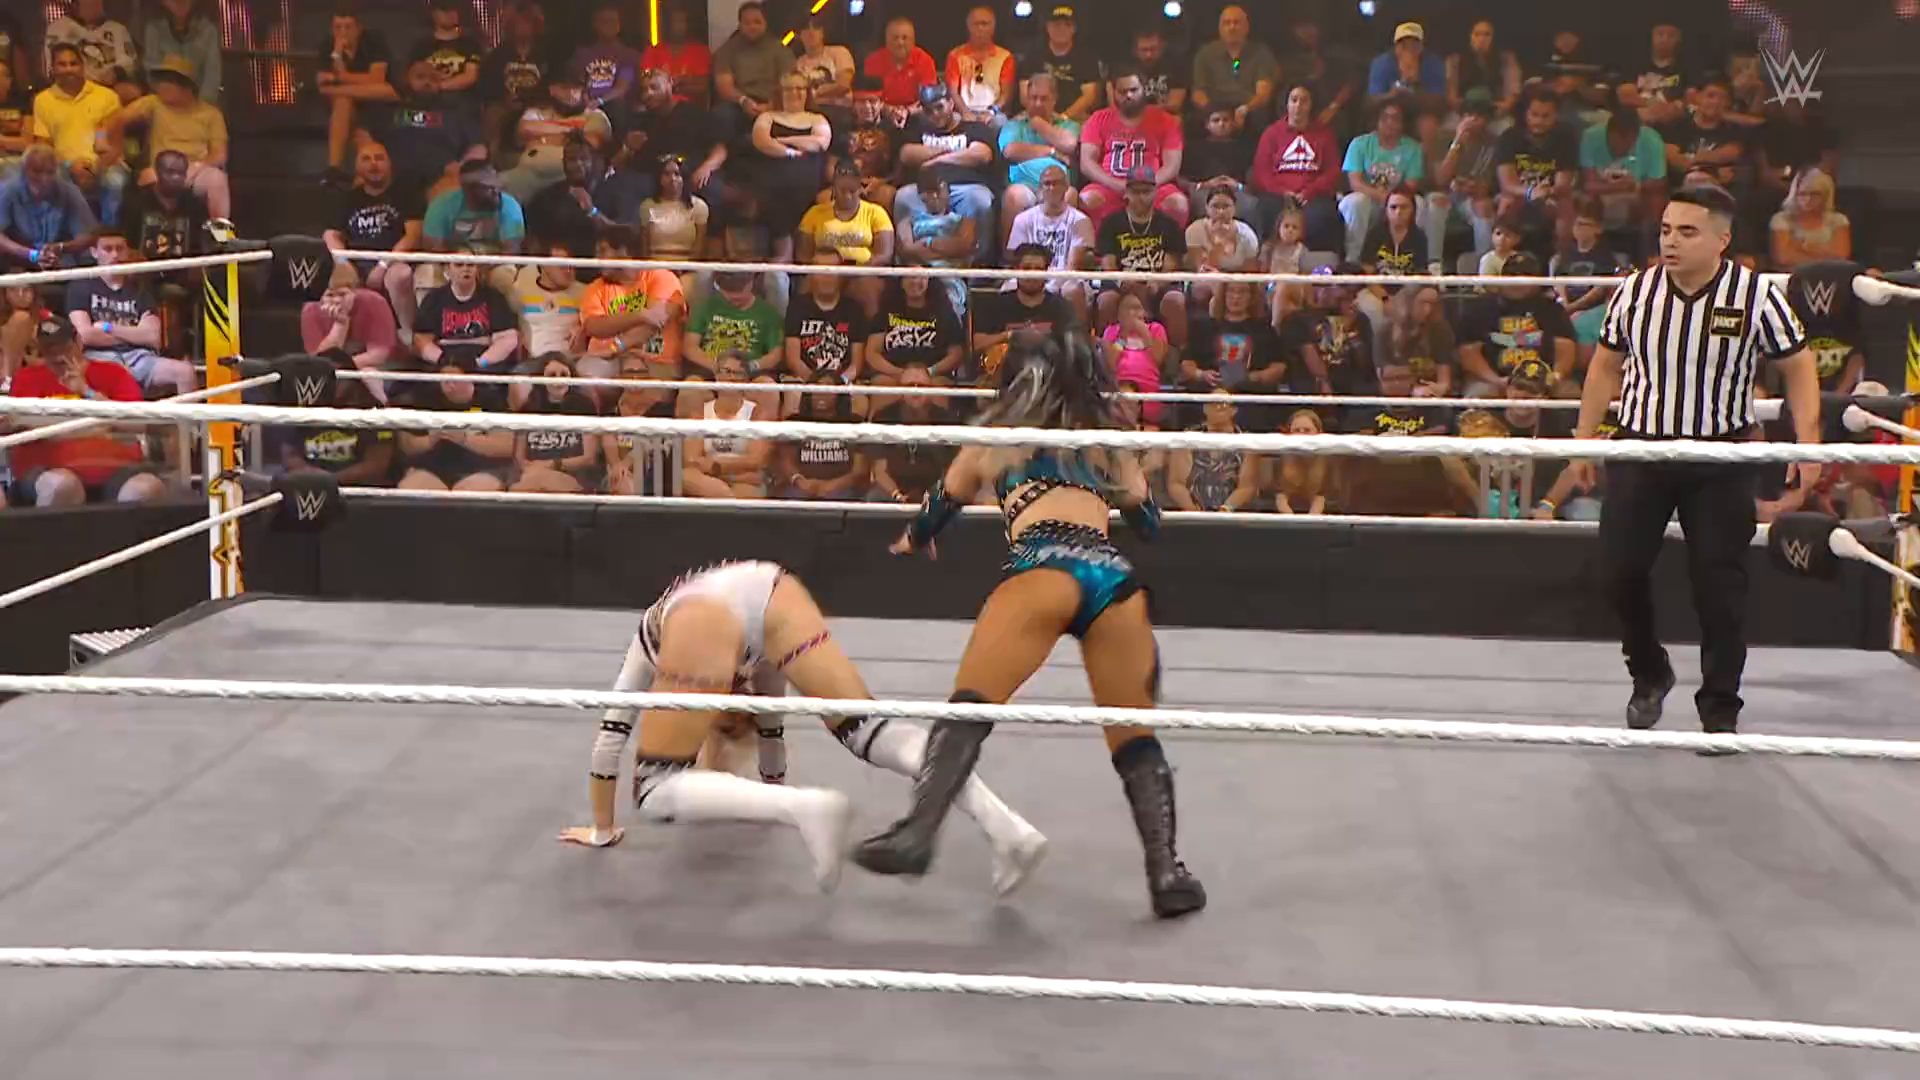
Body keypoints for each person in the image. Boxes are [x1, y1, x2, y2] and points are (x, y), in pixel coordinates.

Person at [854, 331, 1206, 920]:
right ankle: (1165, 870)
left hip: (1042, 564)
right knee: (1135, 738)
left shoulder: (1000, 434)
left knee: (969, 707)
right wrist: (1116, 471)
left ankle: (917, 831)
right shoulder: (1103, 437)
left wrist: (913, 539)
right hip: (1112, 577)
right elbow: (1148, 523)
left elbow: (942, 502)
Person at [559, 559, 1048, 894]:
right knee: (868, 730)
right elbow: (772, 734)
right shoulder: (761, 677)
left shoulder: (655, 641)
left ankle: (808, 807)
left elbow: (611, 735)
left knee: (653, 788)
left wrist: (602, 830)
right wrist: (774, 787)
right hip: (773, 587)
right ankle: (1007, 827)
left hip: (704, 611)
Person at [1571, 184, 1821, 746]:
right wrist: (1584, 441)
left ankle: (1720, 706)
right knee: (1617, 571)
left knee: (1719, 585)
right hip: (1641, 449)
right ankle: (1649, 669)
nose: (1672, 242)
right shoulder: (1634, 292)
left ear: (1721, 239)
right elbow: (1605, 367)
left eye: (1687, 232)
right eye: (1666, 230)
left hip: (1721, 456)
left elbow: (1799, 364)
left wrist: (1809, 443)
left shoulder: (1755, 295)